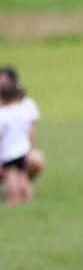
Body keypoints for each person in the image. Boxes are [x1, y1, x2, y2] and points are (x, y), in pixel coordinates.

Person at [0, 65, 45, 205]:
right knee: (23, 176)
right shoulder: (21, 113)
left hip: (9, 153)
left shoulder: (3, 115)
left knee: (11, 177)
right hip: (22, 150)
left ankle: (12, 200)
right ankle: (27, 199)